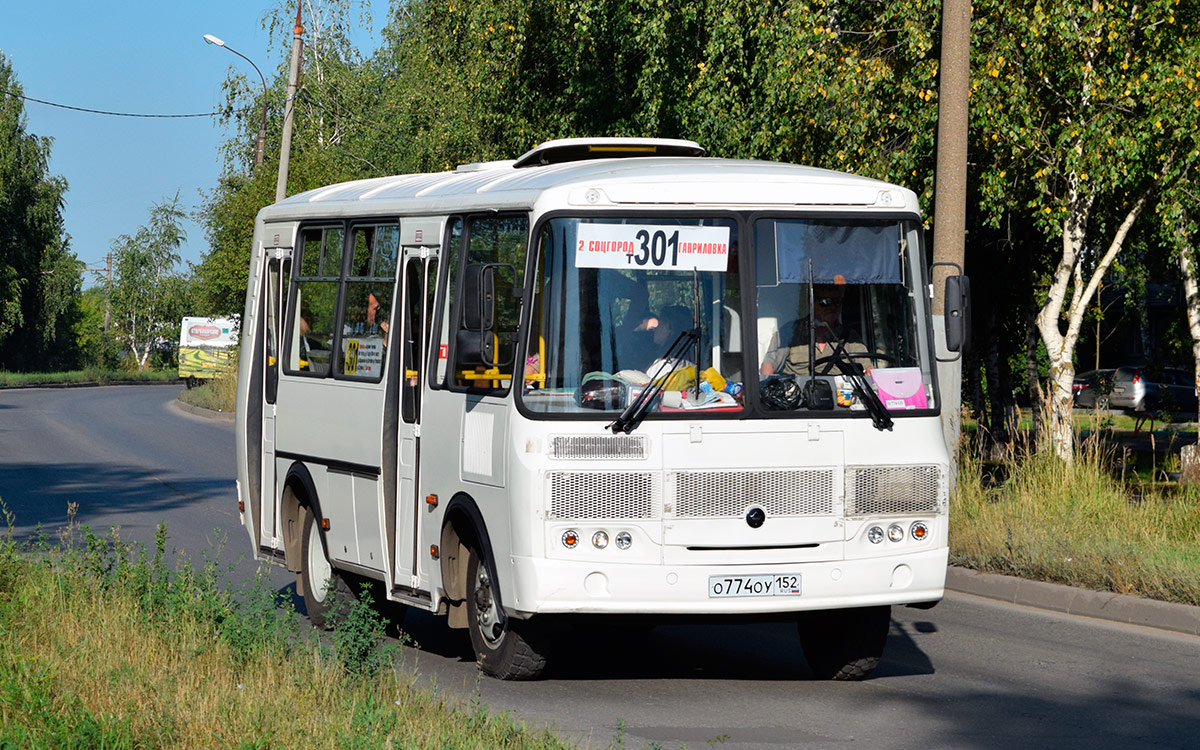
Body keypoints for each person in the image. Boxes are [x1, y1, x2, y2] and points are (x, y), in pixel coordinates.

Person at [760, 284, 867, 377]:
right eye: (825, 302)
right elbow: (768, 367)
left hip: (840, 397)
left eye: (837, 301)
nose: (832, 307)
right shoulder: (791, 331)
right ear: (811, 303)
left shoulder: (850, 337)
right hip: (799, 396)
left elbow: (868, 369)